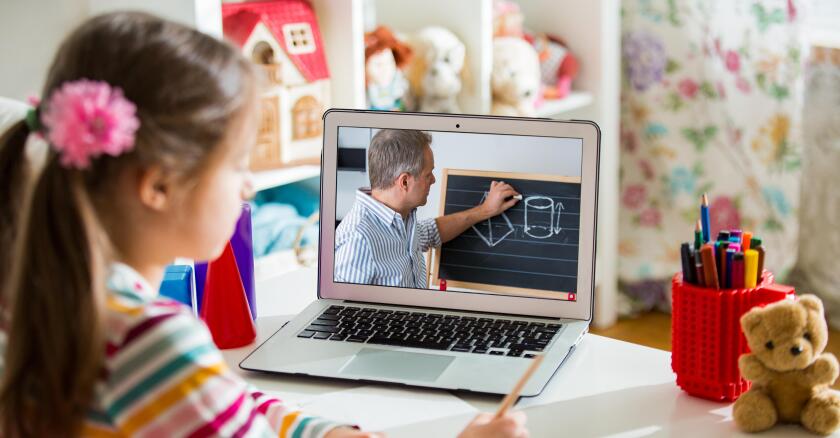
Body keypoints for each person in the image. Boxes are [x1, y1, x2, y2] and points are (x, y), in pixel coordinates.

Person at [0, 12, 528, 438]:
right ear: (158, 186)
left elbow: (229, 404)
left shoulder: (61, 303)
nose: (249, 186)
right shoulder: (153, 340)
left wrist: (329, 433)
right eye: (236, 164)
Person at [335, 129, 520, 288]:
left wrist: (485, 210)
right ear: (405, 181)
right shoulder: (358, 241)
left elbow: (431, 232)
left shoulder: (400, 216)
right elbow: (343, 319)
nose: (433, 180)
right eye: (428, 174)